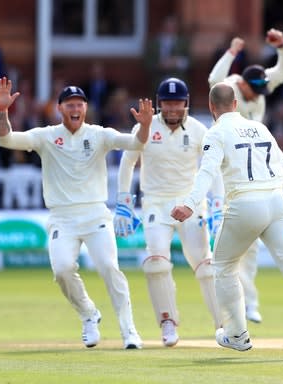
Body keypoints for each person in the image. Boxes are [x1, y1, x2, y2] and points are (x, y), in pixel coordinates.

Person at [170, 83, 283, 351]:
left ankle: (237, 334)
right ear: (235, 104)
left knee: (222, 267)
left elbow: (206, 173)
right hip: (278, 202)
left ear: (212, 107)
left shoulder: (215, 132)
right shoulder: (260, 127)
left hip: (245, 204)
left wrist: (188, 204)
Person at [0, 77, 152, 349]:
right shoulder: (46, 136)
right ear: (60, 108)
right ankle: (88, 314)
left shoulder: (99, 134)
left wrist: (145, 126)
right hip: (62, 217)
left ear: (86, 108)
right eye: (69, 105)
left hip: (95, 214)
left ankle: (129, 332)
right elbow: (6, 139)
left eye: (79, 104)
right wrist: (2, 111)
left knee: (109, 268)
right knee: (63, 270)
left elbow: (135, 143)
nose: (75, 109)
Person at [114, 77, 222, 347]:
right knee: (156, 262)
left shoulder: (199, 130)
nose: (173, 109)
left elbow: (212, 167)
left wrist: (218, 204)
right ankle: (167, 322)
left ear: (186, 104)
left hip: (190, 203)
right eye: (167, 103)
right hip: (156, 204)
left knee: (206, 266)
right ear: (160, 105)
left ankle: (224, 324)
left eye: (178, 103)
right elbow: (127, 162)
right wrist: (124, 202)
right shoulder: (145, 127)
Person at [208, 28, 283, 323]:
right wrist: (232, 52)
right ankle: (235, 306)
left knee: (254, 242)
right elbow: (212, 80)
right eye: (252, 90)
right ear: (242, 84)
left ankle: (251, 303)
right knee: (228, 241)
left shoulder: (258, 82)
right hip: (227, 168)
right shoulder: (232, 85)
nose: (257, 95)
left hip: (254, 167)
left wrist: (282, 46)